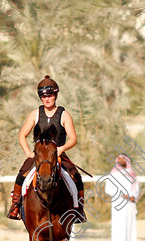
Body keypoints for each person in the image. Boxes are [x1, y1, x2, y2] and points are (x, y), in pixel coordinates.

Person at [7, 75, 87, 223]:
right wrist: (28, 153)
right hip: (38, 155)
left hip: (57, 154)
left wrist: (61, 149)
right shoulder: (35, 114)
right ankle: (15, 206)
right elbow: (22, 135)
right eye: (43, 96)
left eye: (50, 95)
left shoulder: (64, 115)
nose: (47, 99)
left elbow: (73, 139)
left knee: (76, 177)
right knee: (22, 175)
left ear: (56, 95)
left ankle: (79, 209)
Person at [107, 154, 139, 241]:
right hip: (118, 204)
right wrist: (122, 195)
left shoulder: (132, 174)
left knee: (130, 228)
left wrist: (132, 196)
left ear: (127, 161)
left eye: (123, 158)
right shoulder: (113, 174)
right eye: (119, 158)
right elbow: (108, 189)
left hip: (130, 205)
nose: (121, 160)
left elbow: (136, 189)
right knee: (118, 228)